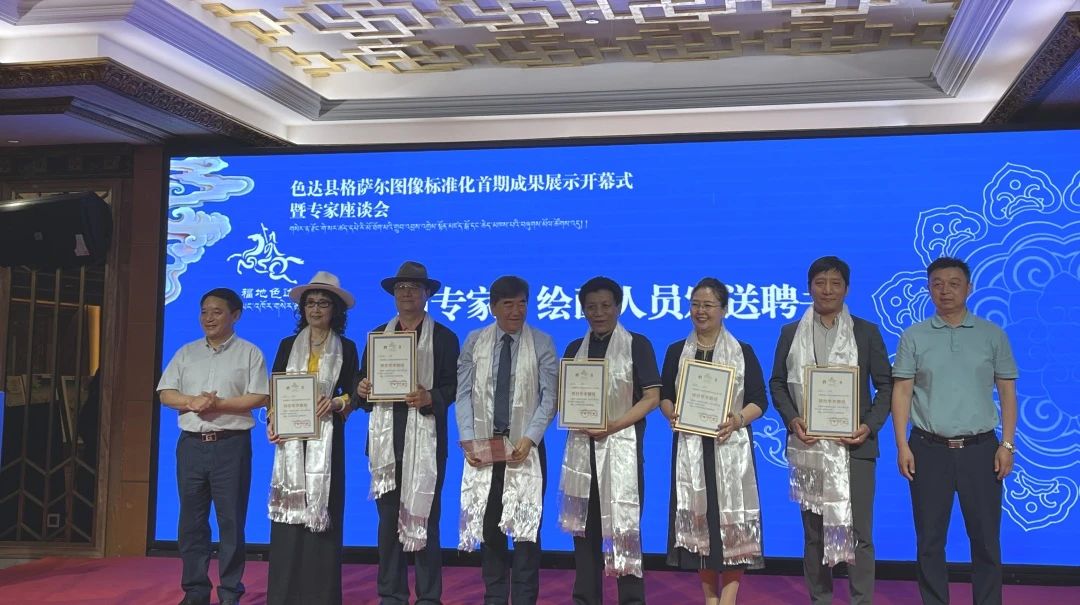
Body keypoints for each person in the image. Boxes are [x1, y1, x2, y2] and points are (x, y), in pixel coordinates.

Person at [891, 256, 1018, 605]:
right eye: (937, 284)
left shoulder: (992, 335)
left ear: (969, 288)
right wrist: (902, 445)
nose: (944, 290)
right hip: (927, 448)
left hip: (981, 449)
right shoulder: (914, 336)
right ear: (929, 289)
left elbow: (1007, 392)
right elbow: (902, 391)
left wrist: (1007, 444)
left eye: (953, 283)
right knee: (930, 540)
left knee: (986, 540)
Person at [769, 256, 893, 605]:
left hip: (856, 447)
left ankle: (861, 600)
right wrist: (793, 419)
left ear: (846, 289)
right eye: (820, 282)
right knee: (814, 535)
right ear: (809, 287)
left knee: (860, 533)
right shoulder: (791, 333)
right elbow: (777, 383)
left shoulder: (866, 332)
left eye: (835, 283)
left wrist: (868, 426)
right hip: (808, 446)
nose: (827, 289)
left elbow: (886, 385)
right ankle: (820, 599)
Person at [356, 261, 460, 605]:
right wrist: (362, 388)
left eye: (414, 287)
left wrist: (432, 397)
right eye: (401, 288)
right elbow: (363, 388)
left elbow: (454, 387)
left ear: (427, 293)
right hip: (386, 443)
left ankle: (429, 596)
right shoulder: (377, 336)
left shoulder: (444, 338)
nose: (406, 293)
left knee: (426, 519)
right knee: (387, 525)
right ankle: (391, 594)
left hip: (427, 441)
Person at [157, 288, 269, 605]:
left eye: (217, 312)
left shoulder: (250, 353)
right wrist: (191, 401)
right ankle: (195, 591)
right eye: (204, 311)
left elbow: (260, 396)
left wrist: (220, 404)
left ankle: (230, 591)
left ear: (236, 315)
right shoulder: (186, 352)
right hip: (191, 446)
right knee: (191, 522)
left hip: (231, 445)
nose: (208, 318)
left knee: (230, 520)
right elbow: (165, 393)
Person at [660, 277, 766, 605]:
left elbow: (759, 400)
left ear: (724, 309)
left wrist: (737, 420)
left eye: (708, 305)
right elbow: (665, 395)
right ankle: (709, 597)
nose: (700, 311)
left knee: (733, 521)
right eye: (695, 305)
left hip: (729, 447)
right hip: (692, 447)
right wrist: (671, 413)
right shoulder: (676, 351)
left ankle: (729, 597)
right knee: (699, 520)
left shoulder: (742, 352)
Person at [456, 275, 558, 605]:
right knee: (490, 531)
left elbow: (549, 398)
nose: (516, 311)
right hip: (485, 448)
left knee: (527, 532)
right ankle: (495, 597)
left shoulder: (542, 342)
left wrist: (530, 438)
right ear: (493, 307)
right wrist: (468, 439)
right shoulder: (475, 341)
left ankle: (525, 599)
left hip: (526, 449)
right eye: (508, 304)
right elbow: (463, 394)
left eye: (522, 303)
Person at [560, 276, 661, 605]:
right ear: (583, 311)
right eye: (591, 307)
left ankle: (631, 600)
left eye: (605, 306)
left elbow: (652, 397)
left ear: (618, 307)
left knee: (625, 530)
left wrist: (614, 425)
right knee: (584, 535)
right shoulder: (574, 349)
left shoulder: (637, 344)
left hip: (622, 453)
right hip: (582, 454)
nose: (599, 313)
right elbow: (567, 400)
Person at [266, 271, 359, 605]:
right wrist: (272, 420)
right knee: (288, 520)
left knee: (324, 517)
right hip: (290, 441)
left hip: (327, 442)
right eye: (310, 303)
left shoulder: (346, 347)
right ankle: (284, 596)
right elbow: (275, 391)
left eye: (323, 303)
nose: (316, 309)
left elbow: (355, 393)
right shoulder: (287, 345)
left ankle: (320, 596)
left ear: (335, 310)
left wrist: (337, 402)